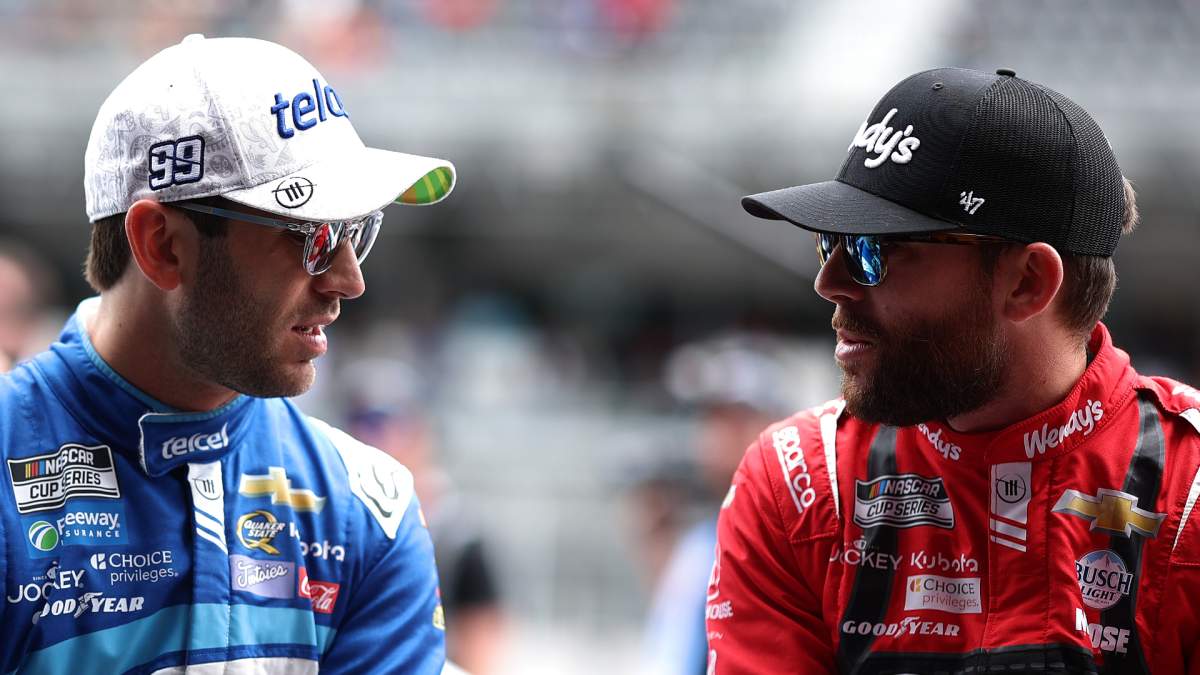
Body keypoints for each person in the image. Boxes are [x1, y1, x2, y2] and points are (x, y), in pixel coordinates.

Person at [706, 67, 1200, 674]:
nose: (828, 283)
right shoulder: (800, 484)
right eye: (829, 241)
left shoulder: (1189, 493)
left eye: (873, 251)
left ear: (1027, 283)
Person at [0, 35, 456, 674]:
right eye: (313, 235)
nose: (349, 280)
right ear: (162, 245)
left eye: (356, 231)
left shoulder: (366, 511)